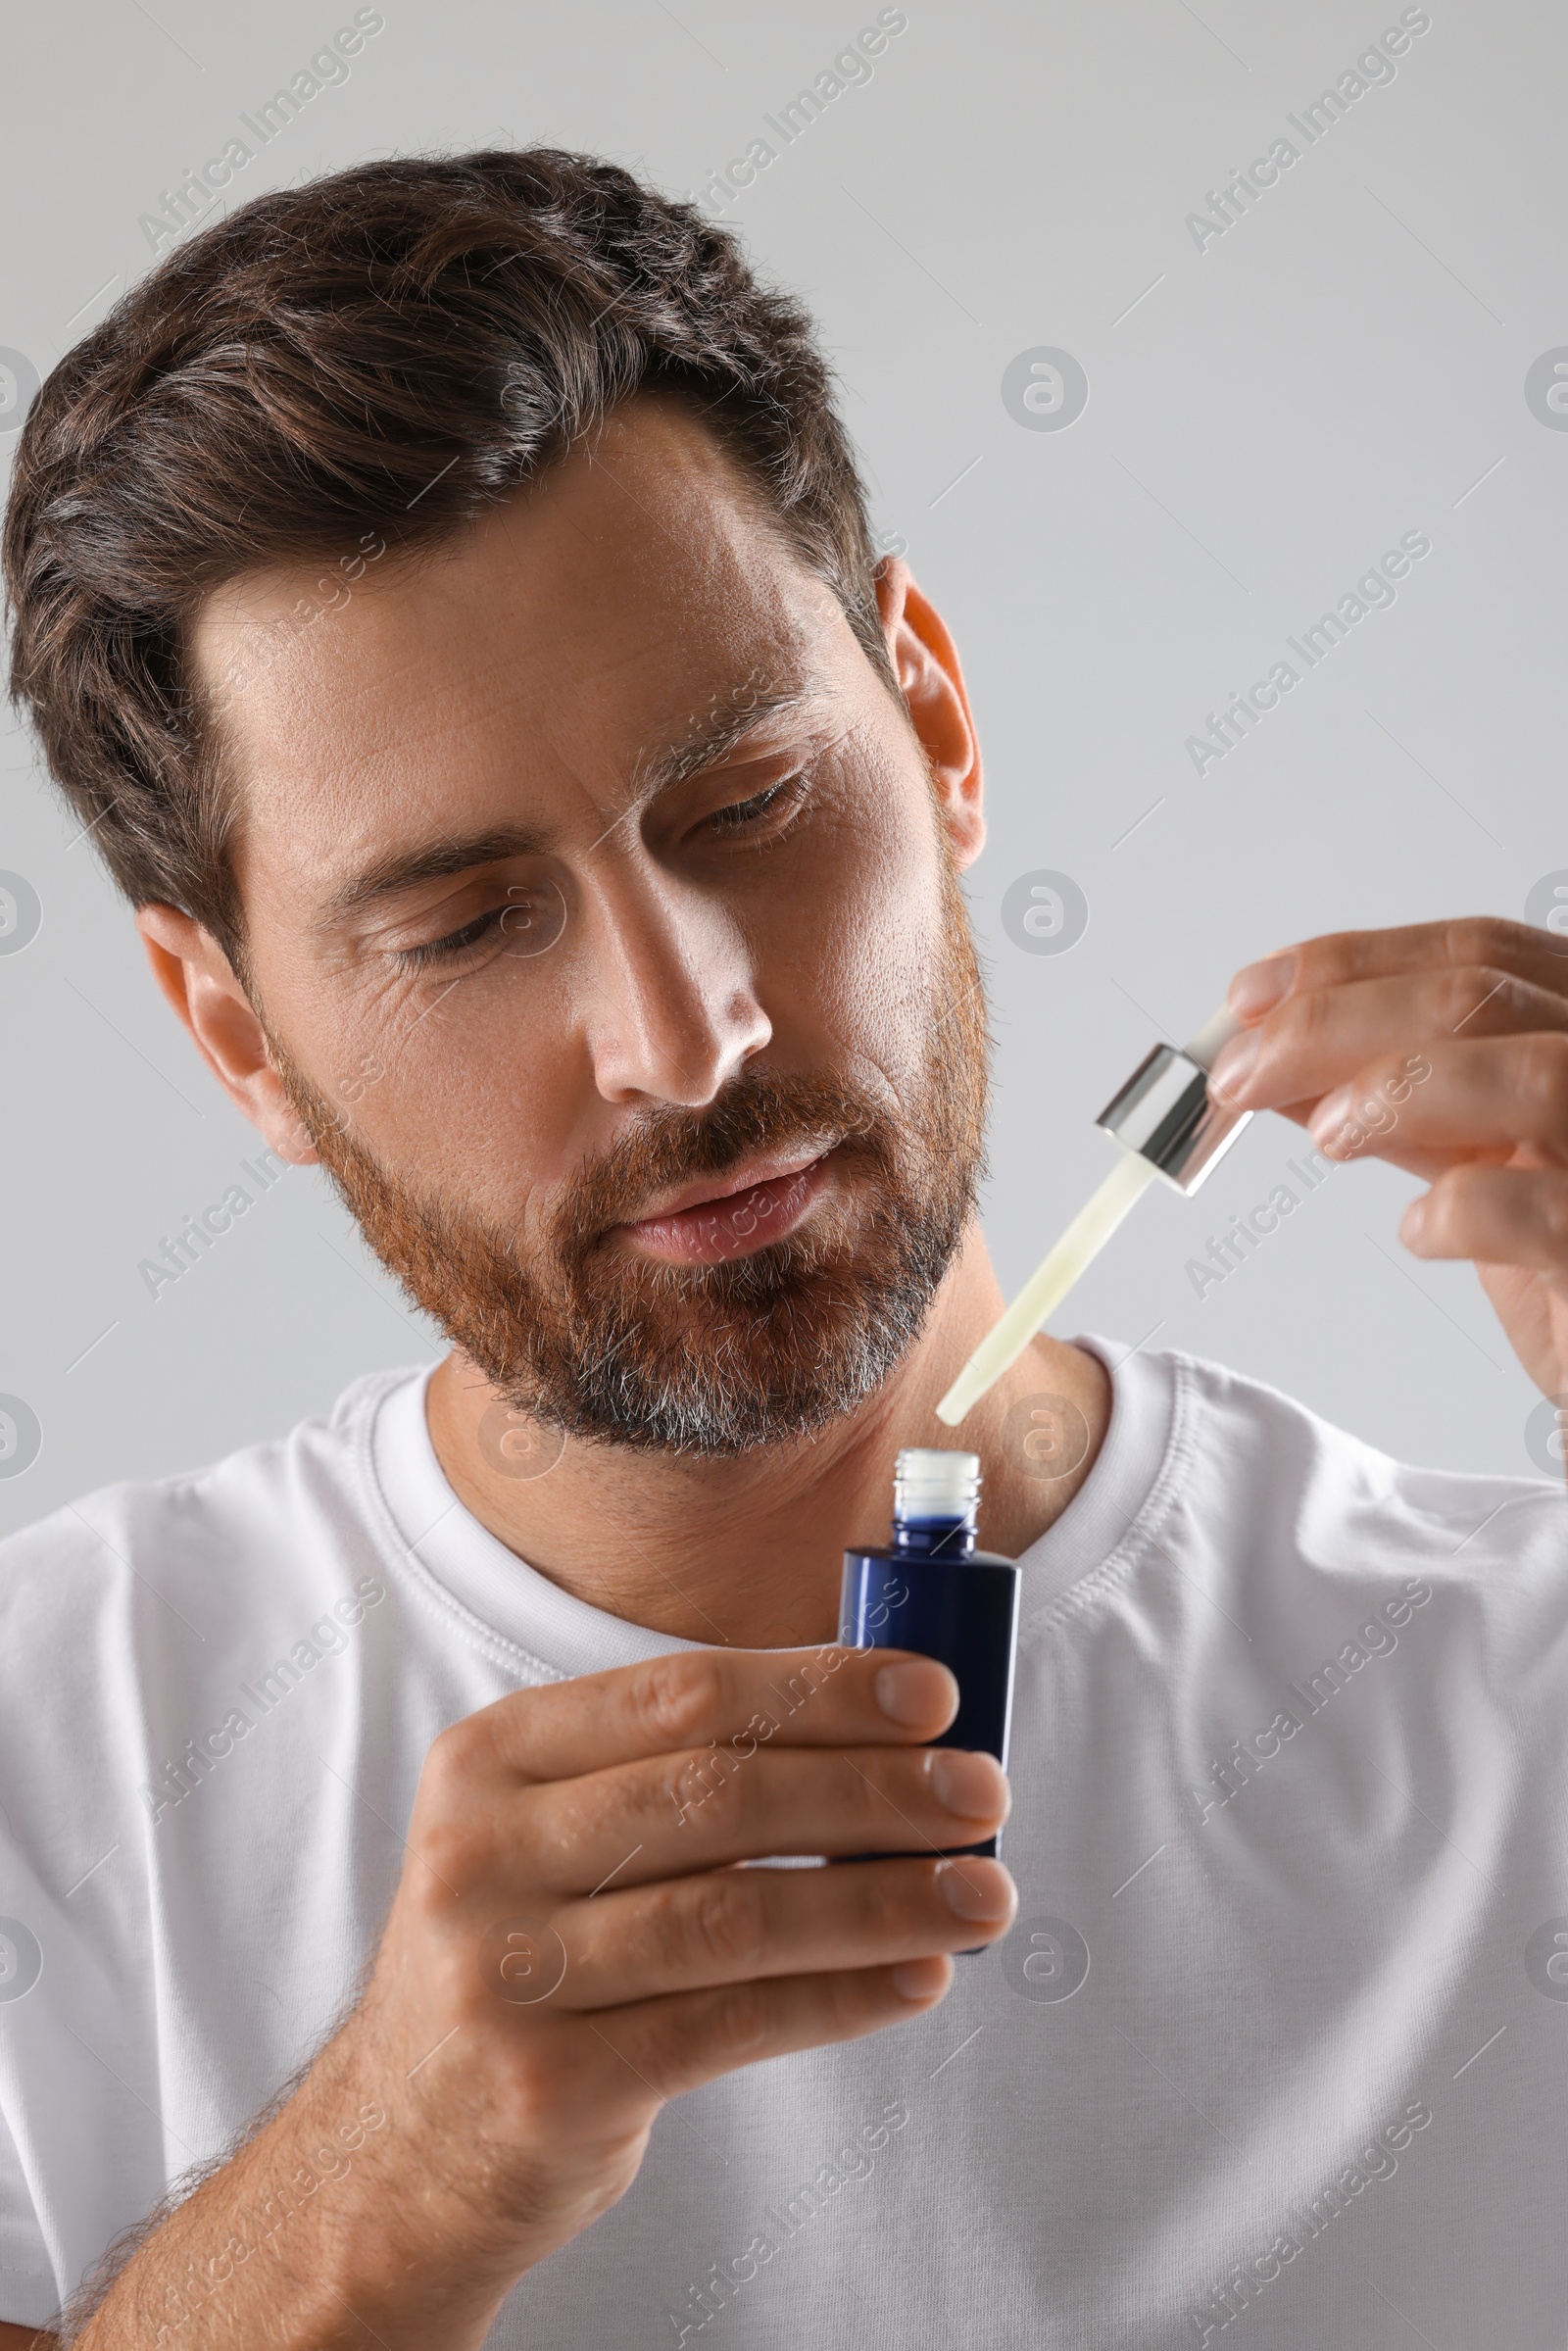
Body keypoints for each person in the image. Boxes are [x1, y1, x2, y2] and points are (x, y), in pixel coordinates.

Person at [0, 147, 1563, 2351]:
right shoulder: (54, 1763)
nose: (681, 1029)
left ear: (928, 720)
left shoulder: (1516, 1689)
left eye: (744, 803)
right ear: (236, 1032)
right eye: (461, 923)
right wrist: (377, 2201)